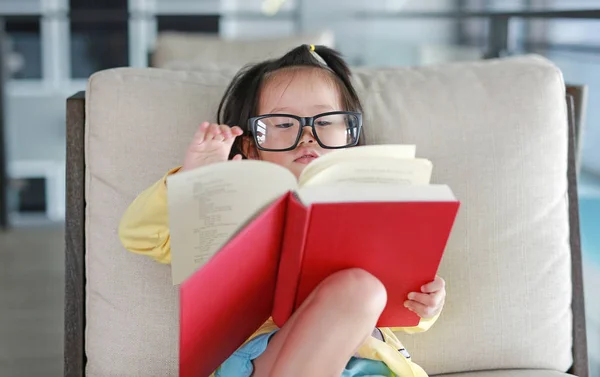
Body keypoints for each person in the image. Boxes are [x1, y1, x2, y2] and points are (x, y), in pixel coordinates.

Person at [119, 44, 446, 377]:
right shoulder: (225, 202)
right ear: (251, 147)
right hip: (261, 359)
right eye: (282, 124)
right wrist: (193, 182)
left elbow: (406, 301)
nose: (306, 136)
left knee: (367, 291)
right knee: (362, 288)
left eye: (326, 121)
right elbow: (140, 235)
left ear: (351, 135)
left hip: (371, 362)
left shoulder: (377, 205)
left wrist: (427, 301)